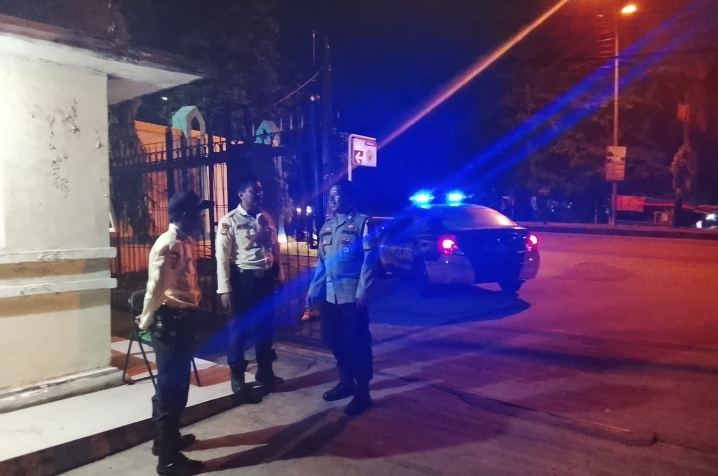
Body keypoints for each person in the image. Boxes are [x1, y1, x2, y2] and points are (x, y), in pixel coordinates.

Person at [136, 190, 211, 476]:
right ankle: (167, 460)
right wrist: (146, 320)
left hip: (181, 321)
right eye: (198, 212)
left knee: (175, 387)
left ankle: (165, 441)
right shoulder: (171, 244)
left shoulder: (183, 241)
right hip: (171, 324)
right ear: (185, 215)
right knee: (171, 390)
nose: (202, 217)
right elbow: (156, 287)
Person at [306, 179, 377, 416]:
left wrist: (363, 290)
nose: (332, 199)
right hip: (330, 296)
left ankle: (363, 392)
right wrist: (313, 288)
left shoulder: (362, 223)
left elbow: (370, 260)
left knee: (358, 343)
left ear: (349, 197)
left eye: (337, 195)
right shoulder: (326, 227)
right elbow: (322, 263)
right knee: (334, 340)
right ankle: (346, 382)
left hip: (351, 297)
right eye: (330, 195)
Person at [216, 176, 285, 403]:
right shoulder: (230, 221)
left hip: (265, 280)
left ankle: (265, 371)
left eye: (260, 191)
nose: (259, 195)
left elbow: (275, 247)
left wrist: (280, 274)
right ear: (241, 195)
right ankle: (237, 376)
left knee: (265, 327)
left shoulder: (266, 217)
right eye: (254, 191)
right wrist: (224, 288)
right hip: (243, 281)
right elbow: (222, 257)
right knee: (239, 330)